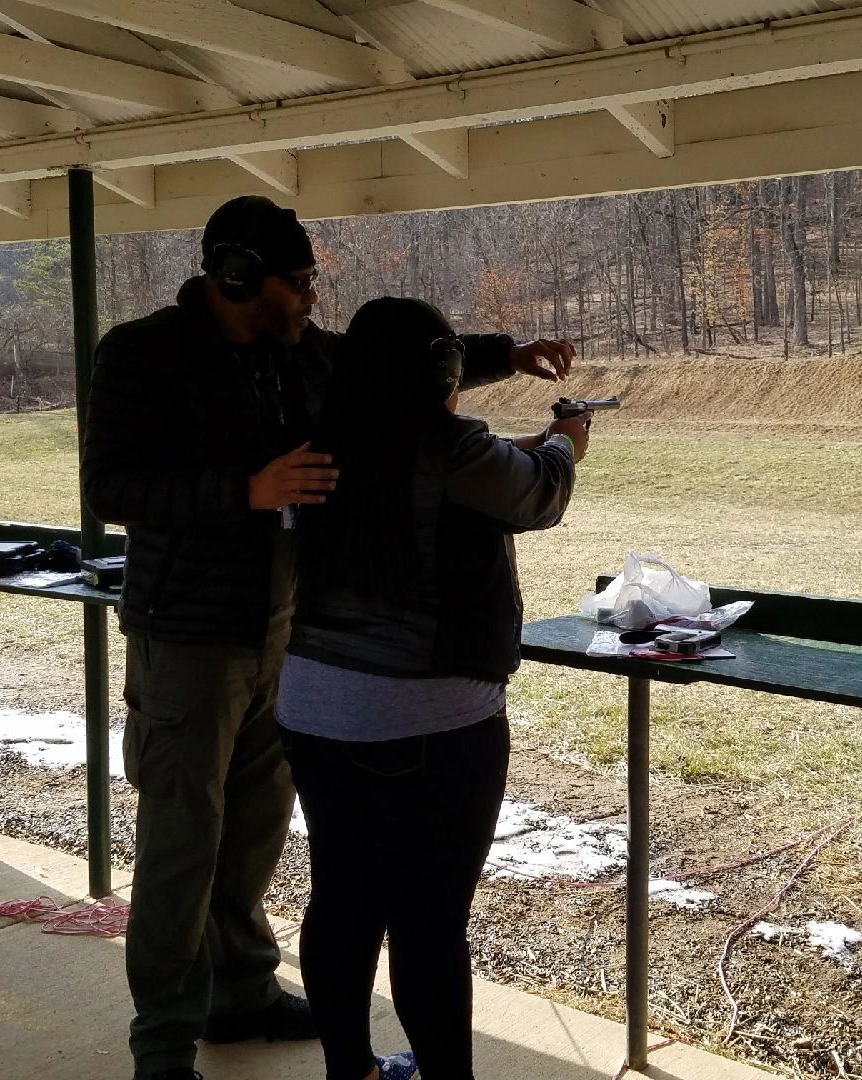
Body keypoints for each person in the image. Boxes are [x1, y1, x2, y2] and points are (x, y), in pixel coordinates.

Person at [81, 197, 575, 1080]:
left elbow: (386, 364)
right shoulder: (140, 353)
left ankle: (241, 992)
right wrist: (247, 490)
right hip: (190, 633)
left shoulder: (302, 351)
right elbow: (110, 487)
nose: (313, 297)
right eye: (299, 281)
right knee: (181, 843)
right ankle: (162, 1044)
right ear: (237, 276)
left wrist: (506, 354)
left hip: (288, 631)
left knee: (259, 831)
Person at [278, 296, 589, 1080]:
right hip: (430, 717)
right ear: (444, 373)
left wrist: (524, 442)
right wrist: (564, 445)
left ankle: (348, 1069)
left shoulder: (316, 439)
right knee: (428, 920)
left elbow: (411, 476)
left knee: (343, 898)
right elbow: (536, 495)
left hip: (312, 710)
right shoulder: (454, 447)